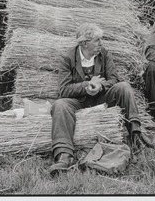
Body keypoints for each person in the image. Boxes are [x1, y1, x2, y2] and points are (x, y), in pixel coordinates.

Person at [49, 23, 145, 175]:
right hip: (78, 101)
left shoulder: (104, 54)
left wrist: (100, 87)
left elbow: (114, 79)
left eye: (101, 39)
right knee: (60, 105)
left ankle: (136, 136)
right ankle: (64, 156)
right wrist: (87, 84)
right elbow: (64, 89)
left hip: (102, 97)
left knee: (124, 87)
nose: (101, 43)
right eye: (97, 40)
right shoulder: (67, 58)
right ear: (84, 43)